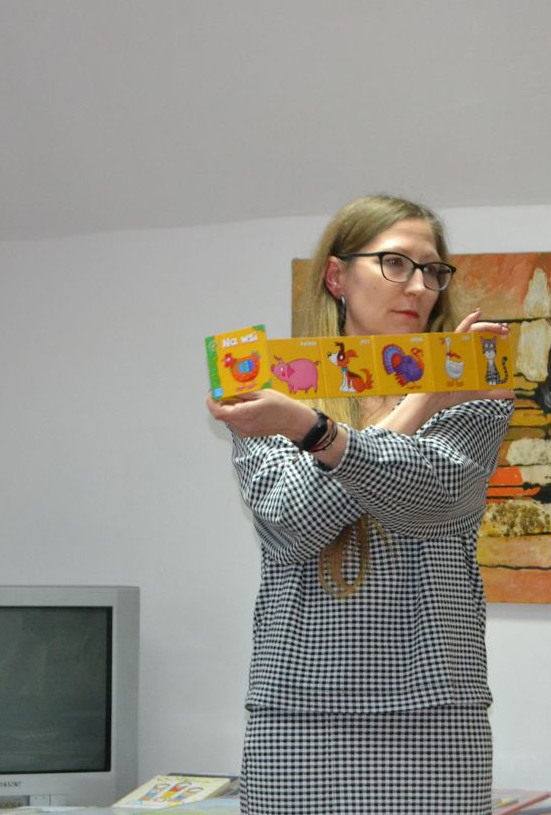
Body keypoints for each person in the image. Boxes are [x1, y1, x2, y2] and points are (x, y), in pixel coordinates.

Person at [206, 194, 514, 815]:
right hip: (298, 715)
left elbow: (432, 498)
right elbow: (291, 524)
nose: (419, 286)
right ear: (336, 276)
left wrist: (313, 432)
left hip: (434, 717)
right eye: (395, 263)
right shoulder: (269, 390)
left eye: (432, 270)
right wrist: (417, 402)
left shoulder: (474, 391)